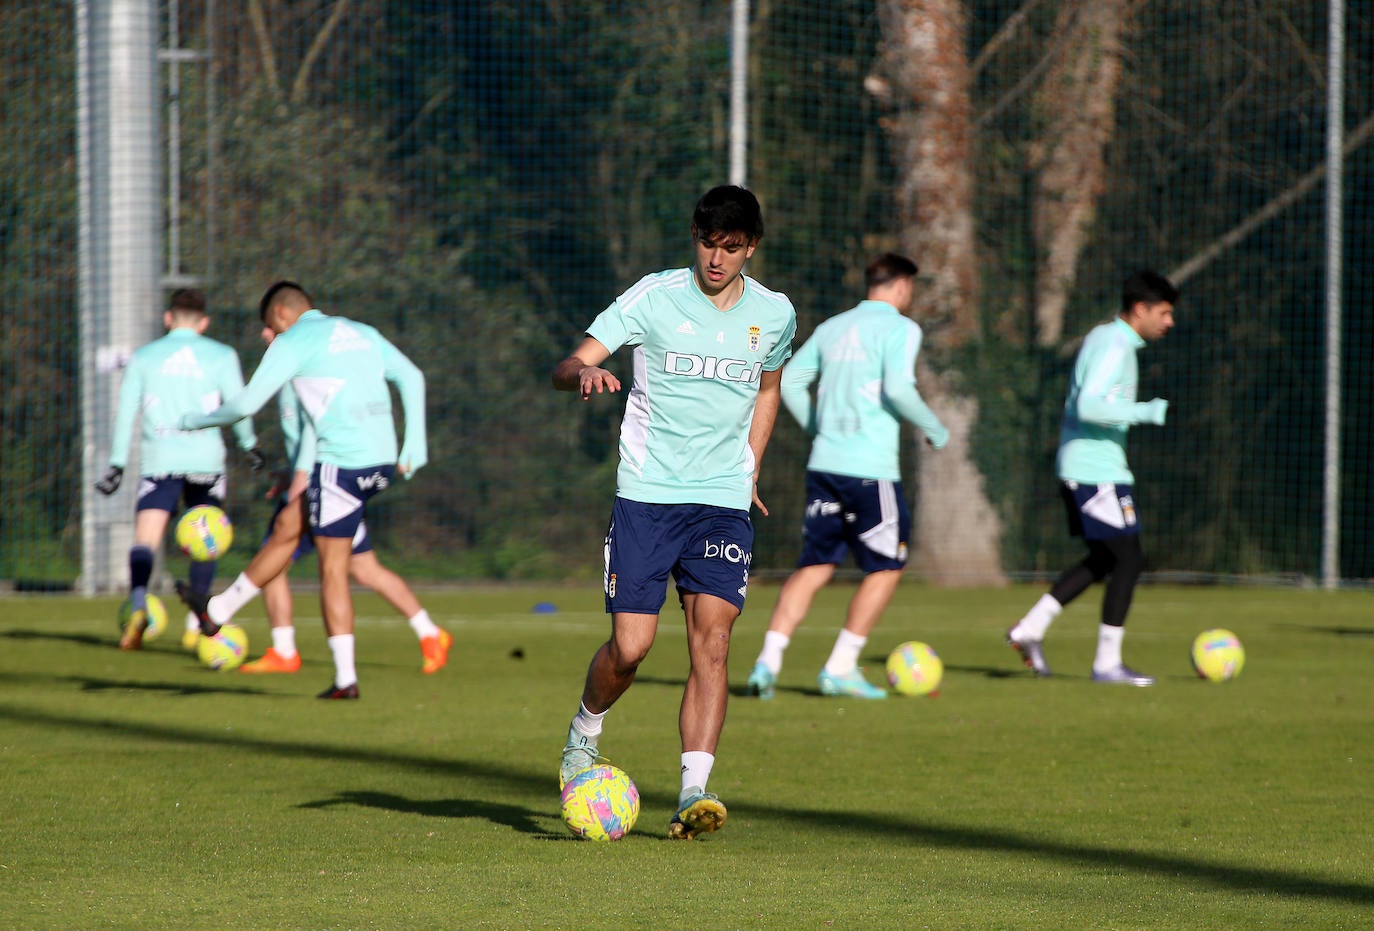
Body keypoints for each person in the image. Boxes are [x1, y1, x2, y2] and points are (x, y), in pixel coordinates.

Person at [551, 185, 796, 840]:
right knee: (630, 648)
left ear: (752, 247)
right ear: (695, 235)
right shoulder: (653, 296)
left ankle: (694, 791)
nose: (717, 259)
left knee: (712, 641)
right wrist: (582, 374)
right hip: (647, 495)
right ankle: (585, 729)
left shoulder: (774, 315)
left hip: (720, 501)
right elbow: (570, 360)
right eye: (709, 243)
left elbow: (769, 389)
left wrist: (750, 469)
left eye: (732, 247)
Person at [176, 281, 428, 699]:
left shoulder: (292, 341)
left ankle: (345, 680)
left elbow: (243, 406)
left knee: (333, 568)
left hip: (341, 466)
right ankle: (217, 609)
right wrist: (414, 440)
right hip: (382, 462)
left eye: (265, 326)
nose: (263, 336)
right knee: (289, 525)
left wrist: (193, 421)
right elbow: (412, 376)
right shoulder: (361, 331)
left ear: (279, 315)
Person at [745, 253, 948, 701]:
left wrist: (821, 430)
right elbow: (898, 388)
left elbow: (792, 379)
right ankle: (840, 666)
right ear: (900, 287)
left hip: (825, 466)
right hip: (870, 471)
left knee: (814, 566)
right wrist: (934, 428)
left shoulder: (834, 326)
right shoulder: (901, 328)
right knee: (888, 566)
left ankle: (767, 661)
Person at [236, 325, 451, 676]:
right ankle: (430, 633)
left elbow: (313, 430)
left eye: (271, 324)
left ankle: (283, 649)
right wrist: (291, 474)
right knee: (363, 568)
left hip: (323, 483)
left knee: (273, 559)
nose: (263, 332)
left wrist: (301, 481)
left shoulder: (301, 364)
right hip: (321, 480)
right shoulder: (296, 365)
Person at [1006, 269, 1177, 686]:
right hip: (1093, 471)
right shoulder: (1114, 344)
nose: (1169, 323)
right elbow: (1089, 406)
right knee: (1129, 559)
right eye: (1165, 313)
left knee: (1105, 558)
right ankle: (1106, 664)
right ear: (1140, 309)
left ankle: (1030, 628)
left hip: (1093, 468)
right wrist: (1145, 411)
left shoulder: (1113, 342)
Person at [94, 288, 262, 650]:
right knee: (207, 541)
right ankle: (196, 621)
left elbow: (126, 412)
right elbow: (239, 405)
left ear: (168, 319)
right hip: (206, 461)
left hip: (161, 462)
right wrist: (250, 445)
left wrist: (117, 464)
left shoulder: (144, 357)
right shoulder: (221, 355)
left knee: (147, 538)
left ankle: (139, 603)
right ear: (204, 322)